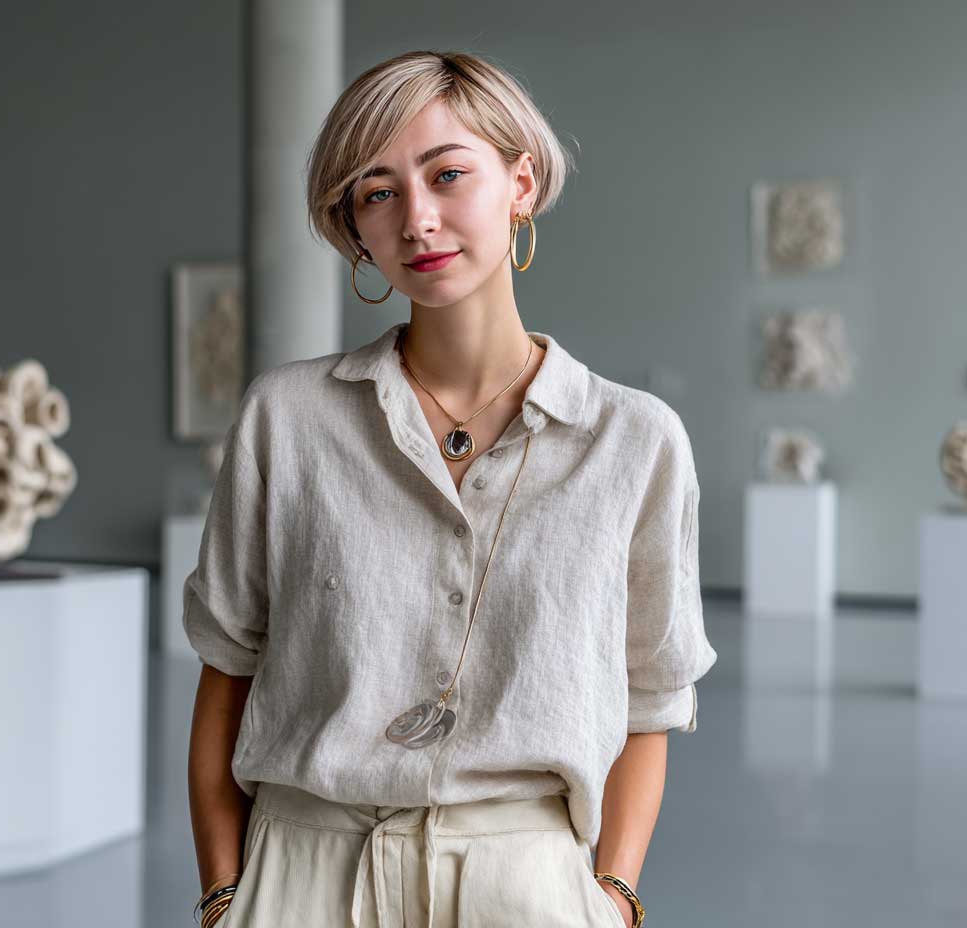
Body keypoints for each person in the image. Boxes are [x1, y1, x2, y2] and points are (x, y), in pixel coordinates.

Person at [184, 49, 717, 928]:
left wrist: (614, 896)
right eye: (378, 191)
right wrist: (223, 896)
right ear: (356, 227)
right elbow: (226, 669)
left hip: (528, 880)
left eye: (448, 174)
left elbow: (651, 697)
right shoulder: (287, 416)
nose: (418, 219)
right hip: (306, 871)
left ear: (521, 182)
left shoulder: (634, 440)